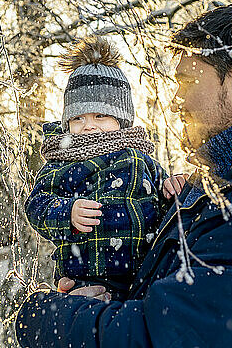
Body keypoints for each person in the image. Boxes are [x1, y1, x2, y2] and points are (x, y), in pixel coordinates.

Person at [16, 2, 232, 347]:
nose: (175, 100)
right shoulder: (215, 190)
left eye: (186, 81)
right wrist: (95, 294)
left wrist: (48, 316)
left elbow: (167, 336)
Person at [25, 36, 187, 301]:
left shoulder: (140, 158)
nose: (89, 125)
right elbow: (36, 205)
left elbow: (164, 194)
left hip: (143, 273)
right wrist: (67, 213)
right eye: (78, 118)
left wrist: (174, 187)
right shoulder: (63, 159)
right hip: (85, 275)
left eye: (100, 116)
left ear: (121, 119)